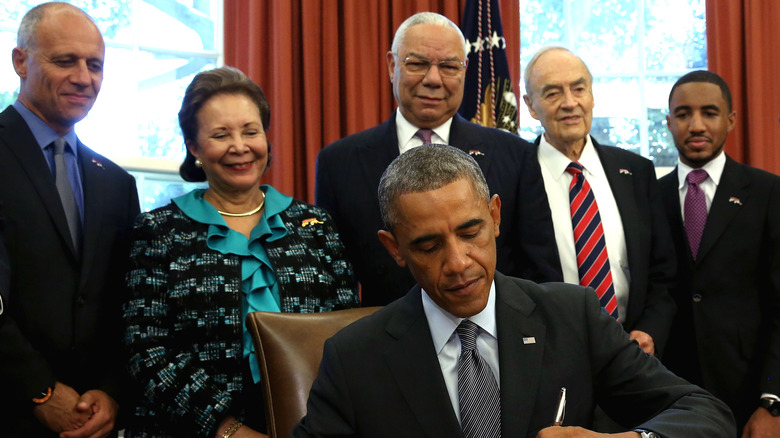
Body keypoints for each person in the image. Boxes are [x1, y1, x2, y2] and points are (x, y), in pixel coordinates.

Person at [292, 144, 735, 438]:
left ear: (496, 216)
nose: (459, 263)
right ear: (395, 249)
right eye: (429, 246)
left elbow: (707, 414)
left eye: (471, 232)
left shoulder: (570, 316)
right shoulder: (355, 356)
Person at [122, 66, 360, 438]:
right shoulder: (158, 231)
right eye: (220, 135)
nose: (240, 146)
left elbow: (349, 334)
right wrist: (227, 430)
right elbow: (147, 351)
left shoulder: (316, 225)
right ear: (195, 147)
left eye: (251, 131)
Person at [315, 12, 558, 306]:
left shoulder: (515, 155)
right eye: (418, 64)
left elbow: (540, 272)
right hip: (385, 341)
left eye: (448, 66)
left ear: (464, 70)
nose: (433, 79)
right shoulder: (338, 163)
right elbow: (334, 281)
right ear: (393, 66)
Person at [0, 3, 140, 437]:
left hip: (95, 421)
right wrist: (40, 391)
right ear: (20, 61)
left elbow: (131, 302)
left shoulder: (116, 183)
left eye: (95, 64)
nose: (84, 77)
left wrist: (112, 391)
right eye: (65, 61)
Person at [521, 47, 676, 358]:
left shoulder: (635, 172)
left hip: (633, 355)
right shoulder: (515, 176)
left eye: (578, 89)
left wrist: (650, 331)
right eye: (552, 93)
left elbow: (664, 272)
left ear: (591, 95)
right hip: (551, 357)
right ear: (531, 106)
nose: (570, 103)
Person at [658, 70, 780, 437]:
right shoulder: (648, 195)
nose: (696, 125)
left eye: (709, 113)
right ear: (668, 122)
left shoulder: (768, 192)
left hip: (748, 393)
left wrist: (772, 401)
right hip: (670, 394)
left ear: (730, 120)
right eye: (683, 114)